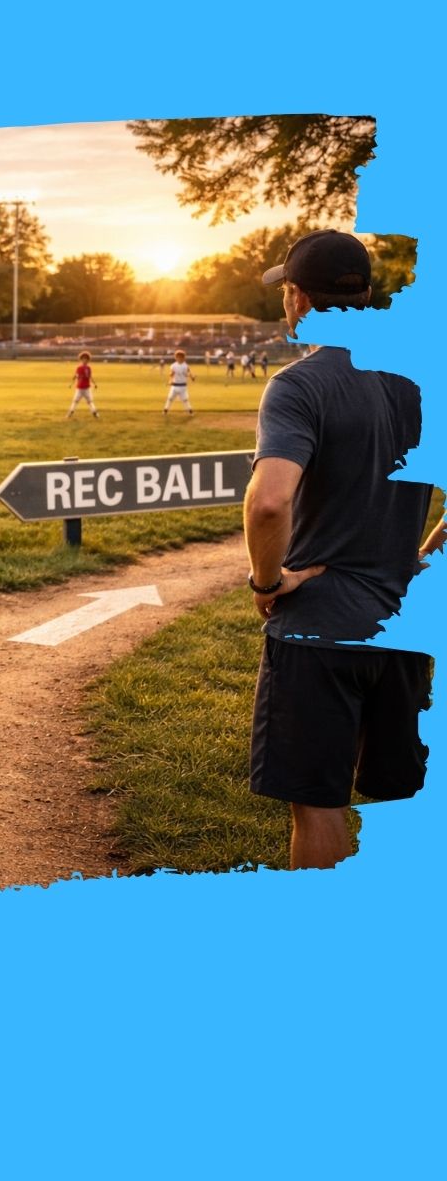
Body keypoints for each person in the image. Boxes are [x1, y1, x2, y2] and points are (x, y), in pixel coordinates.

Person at [243, 230, 434, 869]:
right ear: (368, 294)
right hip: (404, 628)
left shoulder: (300, 385)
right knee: (397, 802)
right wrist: (425, 560)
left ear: (297, 298)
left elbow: (270, 501)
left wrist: (268, 584)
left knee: (320, 803)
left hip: (320, 631)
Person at [65, 350, 99, 418]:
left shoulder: (88, 368)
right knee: (75, 401)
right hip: (80, 388)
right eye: (83, 359)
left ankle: (94, 412)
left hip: (86, 388)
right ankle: (70, 412)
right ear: (81, 360)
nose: (85, 360)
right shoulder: (80, 368)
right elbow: (76, 376)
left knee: (90, 401)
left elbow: (89, 376)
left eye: (86, 359)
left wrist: (94, 383)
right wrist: (73, 382)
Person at [164, 348, 194, 416]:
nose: (180, 358)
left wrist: (192, 377)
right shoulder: (173, 365)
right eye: (178, 357)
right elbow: (172, 374)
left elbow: (188, 373)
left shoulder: (185, 366)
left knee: (185, 399)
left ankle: (190, 411)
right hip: (174, 385)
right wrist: (170, 380)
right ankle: (166, 410)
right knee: (170, 398)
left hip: (182, 386)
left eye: (181, 357)